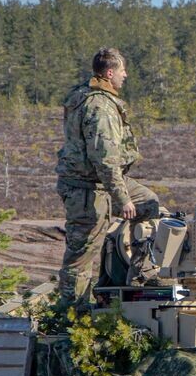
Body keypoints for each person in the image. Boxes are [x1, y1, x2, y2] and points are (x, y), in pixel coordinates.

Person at [55, 48, 159, 306]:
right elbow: (105, 158)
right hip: (88, 188)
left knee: (149, 204)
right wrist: (122, 198)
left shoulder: (83, 95)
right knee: (81, 254)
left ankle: (129, 273)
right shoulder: (100, 106)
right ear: (110, 73)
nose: (126, 75)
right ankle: (72, 315)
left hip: (101, 182)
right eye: (122, 70)